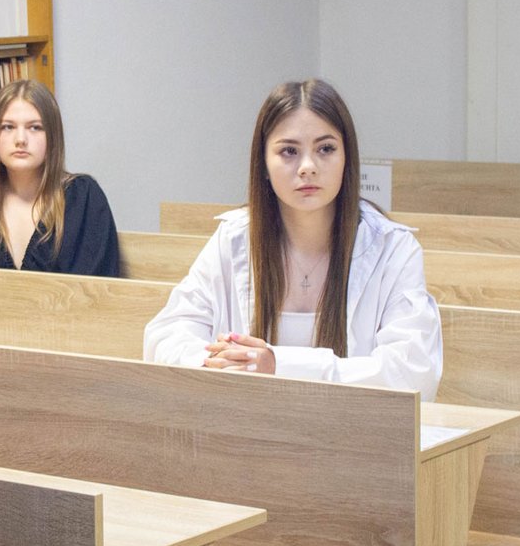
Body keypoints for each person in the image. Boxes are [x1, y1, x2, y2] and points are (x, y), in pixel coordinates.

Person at [143, 79, 442, 399]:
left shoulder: (392, 248)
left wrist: (278, 365)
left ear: (347, 158)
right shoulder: (233, 238)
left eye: (325, 149)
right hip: (247, 422)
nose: (308, 167)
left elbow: (413, 373)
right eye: (289, 151)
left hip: (351, 426)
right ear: (264, 164)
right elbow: (165, 337)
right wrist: (223, 363)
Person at [0, 78, 120, 277]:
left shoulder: (83, 199)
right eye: (8, 127)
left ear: (53, 137)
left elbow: (97, 288)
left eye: (35, 127)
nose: (21, 140)